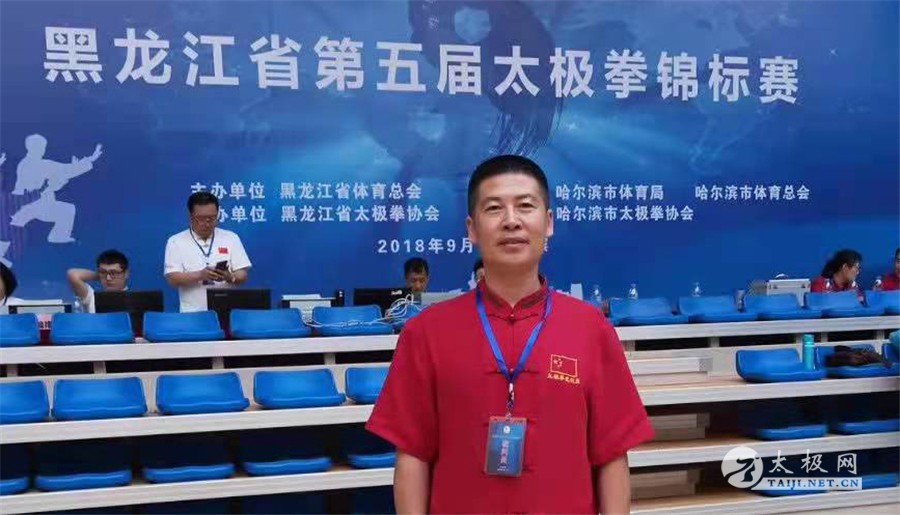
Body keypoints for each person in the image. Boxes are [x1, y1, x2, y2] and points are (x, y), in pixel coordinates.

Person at [367, 155, 653, 514]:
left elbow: (610, 455)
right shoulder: (427, 332)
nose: (511, 220)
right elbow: (413, 455)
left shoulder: (591, 328)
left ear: (548, 222)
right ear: (472, 229)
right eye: (494, 208)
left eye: (525, 206)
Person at [164, 192, 251, 312]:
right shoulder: (176, 241)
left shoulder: (231, 238)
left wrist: (230, 277)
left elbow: (242, 274)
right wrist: (200, 275)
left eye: (212, 218)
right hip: (193, 313)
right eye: (200, 219)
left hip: (229, 311)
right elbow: (172, 278)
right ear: (191, 216)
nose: (206, 223)